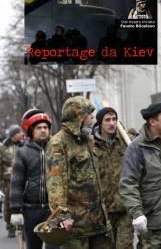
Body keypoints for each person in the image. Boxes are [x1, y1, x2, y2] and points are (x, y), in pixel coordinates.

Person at [45, 96, 112, 248]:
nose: (92, 117)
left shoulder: (87, 139)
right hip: (76, 226)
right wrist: (62, 216)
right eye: (89, 114)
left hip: (98, 222)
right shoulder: (58, 143)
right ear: (78, 117)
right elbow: (56, 184)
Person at [120, 102, 161, 249]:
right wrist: (137, 213)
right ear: (153, 121)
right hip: (154, 224)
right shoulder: (137, 148)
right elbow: (128, 184)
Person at [9, 109, 56, 249]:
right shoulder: (22, 153)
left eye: (45, 127)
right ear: (31, 131)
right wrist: (15, 210)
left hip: (53, 210)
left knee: (54, 245)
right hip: (31, 210)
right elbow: (16, 183)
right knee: (33, 246)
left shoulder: (56, 149)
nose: (43, 130)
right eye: (39, 128)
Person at [92, 107, 133, 249]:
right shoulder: (91, 145)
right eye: (107, 120)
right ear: (100, 123)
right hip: (102, 210)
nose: (112, 123)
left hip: (124, 207)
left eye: (114, 119)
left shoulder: (126, 142)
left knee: (125, 246)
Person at [0, 124, 24, 238]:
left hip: (23, 179)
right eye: (19, 132)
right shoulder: (3, 147)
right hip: (8, 180)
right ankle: (10, 227)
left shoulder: (23, 146)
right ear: (13, 135)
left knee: (23, 203)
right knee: (9, 204)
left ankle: (23, 226)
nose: (22, 134)